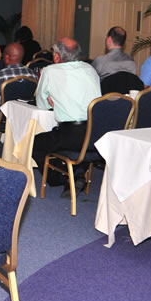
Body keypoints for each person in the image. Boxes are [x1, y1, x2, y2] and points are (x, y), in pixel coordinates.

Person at [32, 38, 102, 193]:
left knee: (36, 143)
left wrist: (53, 101)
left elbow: (41, 104)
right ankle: (77, 174)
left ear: (57, 56)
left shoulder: (50, 71)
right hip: (95, 132)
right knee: (73, 144)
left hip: (70, 134)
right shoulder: (90, 69)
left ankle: (63, 178)